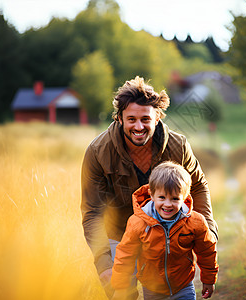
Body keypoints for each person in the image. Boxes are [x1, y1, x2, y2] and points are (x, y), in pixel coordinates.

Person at [81, 76, 218, 298]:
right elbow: (92, 211)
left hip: (166, 233)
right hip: (119, 233)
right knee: (121, 295)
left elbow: (199, 186)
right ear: (119, 118)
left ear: (157, 118)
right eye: (131, 119)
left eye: (145, 119)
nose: (138, 126)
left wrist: (208, 231)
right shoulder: (98, 151)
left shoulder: (178, 146)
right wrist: (103, 262)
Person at [111, 161, 218, 299]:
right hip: (152, 288)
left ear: (184, 197)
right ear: (152, 194)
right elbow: (125, 255)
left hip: (183, 286)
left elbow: (207, 251)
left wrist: (208, 280)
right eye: (162, 197)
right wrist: (121, 287)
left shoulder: (195, 222)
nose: (167, 204)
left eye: (175, 199)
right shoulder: (138, 223)